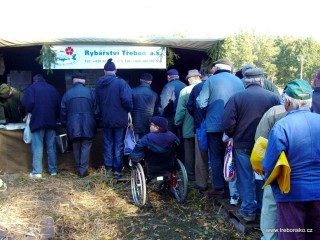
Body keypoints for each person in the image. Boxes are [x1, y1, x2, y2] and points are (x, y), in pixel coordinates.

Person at [263, 79, 320, 240]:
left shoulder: (282, 126)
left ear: (288, 101)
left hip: (291, 192)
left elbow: (269, 164)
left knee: (292, 235)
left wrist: (274, 186)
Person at [222, 68, 280, 222]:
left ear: (245, 81)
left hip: (242, 143)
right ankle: (262, 208)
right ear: (262, 80)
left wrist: (233, 134)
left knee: (245, 177)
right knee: (262, 175)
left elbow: (227, 123)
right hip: (265, 145)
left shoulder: (236, 98)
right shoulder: (273, 98)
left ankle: (248, 210)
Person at [197, 58, 244, 198]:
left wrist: (209, 115)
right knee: (232, 156)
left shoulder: (211, 80)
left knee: (216, 156)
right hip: (235, 126)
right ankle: (233, 188)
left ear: (216, 69)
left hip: (214, 125)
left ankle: (219, 187)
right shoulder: (238, 81)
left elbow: (202, 103)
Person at [95, 58, 133, 179]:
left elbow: (96, 102)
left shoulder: (99, 84)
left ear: (104, 71)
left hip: (106, 119)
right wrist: (129, 109)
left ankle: (107, 169)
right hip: (119, 119)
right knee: (118, 144)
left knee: (107, 143)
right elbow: (127, 100)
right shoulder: (121, 83)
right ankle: (117, 170)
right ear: (115, 70)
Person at [255, 104, 287, 240]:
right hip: (311, 177)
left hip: (279, 168)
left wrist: (265, 170)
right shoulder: (316, 119)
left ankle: (270, 236)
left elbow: (260, 139)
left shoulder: (279, 121)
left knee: (271, 204)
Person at [60, 73, 99, 178]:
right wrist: (95, 123)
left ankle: (78, 168)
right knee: (86, 146)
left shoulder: (68, 94)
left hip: (73, 125)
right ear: (84, 81)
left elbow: (63, 112)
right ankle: (83, 170)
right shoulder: (91, 93)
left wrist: (66, 124)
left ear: (74, 81)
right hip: (88, 124)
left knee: (76, 146)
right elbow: (96, 112)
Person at [22, 74, 61, 178]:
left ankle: (37, 172)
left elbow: (27, 104)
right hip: (51, 122)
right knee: (51, 147)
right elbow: (59, 106)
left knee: (37, 147)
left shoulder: (31, 89)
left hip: (37, 121)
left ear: (34, 81)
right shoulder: (53, 89)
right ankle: (53, 170)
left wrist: (31, 112)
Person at [175, 69, 202, 181]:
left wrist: (177, 122)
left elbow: (181, 110)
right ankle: (203, 176)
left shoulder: (185, 91)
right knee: (202, 152)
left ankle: (190, 175)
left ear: (190, 79)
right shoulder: (206, 87)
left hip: (189, 127)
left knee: (189, 152)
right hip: (203, 127)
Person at [187, 71, 210, 191]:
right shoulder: (223, 86)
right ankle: (220, 184)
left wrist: (197, 116)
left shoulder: (197, 87)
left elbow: (190, 106)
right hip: (220, 126)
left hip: (200, 125)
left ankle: (202, 183)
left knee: (201, 156)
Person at [131, 73, 160, 140]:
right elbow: (156, 111)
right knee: (145, 143)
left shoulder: (132, 91)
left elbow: (129, 106)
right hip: (148, 122)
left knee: (135, 144)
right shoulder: (154, 94)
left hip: (135, 121)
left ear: (140, 80)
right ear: (150, 82)